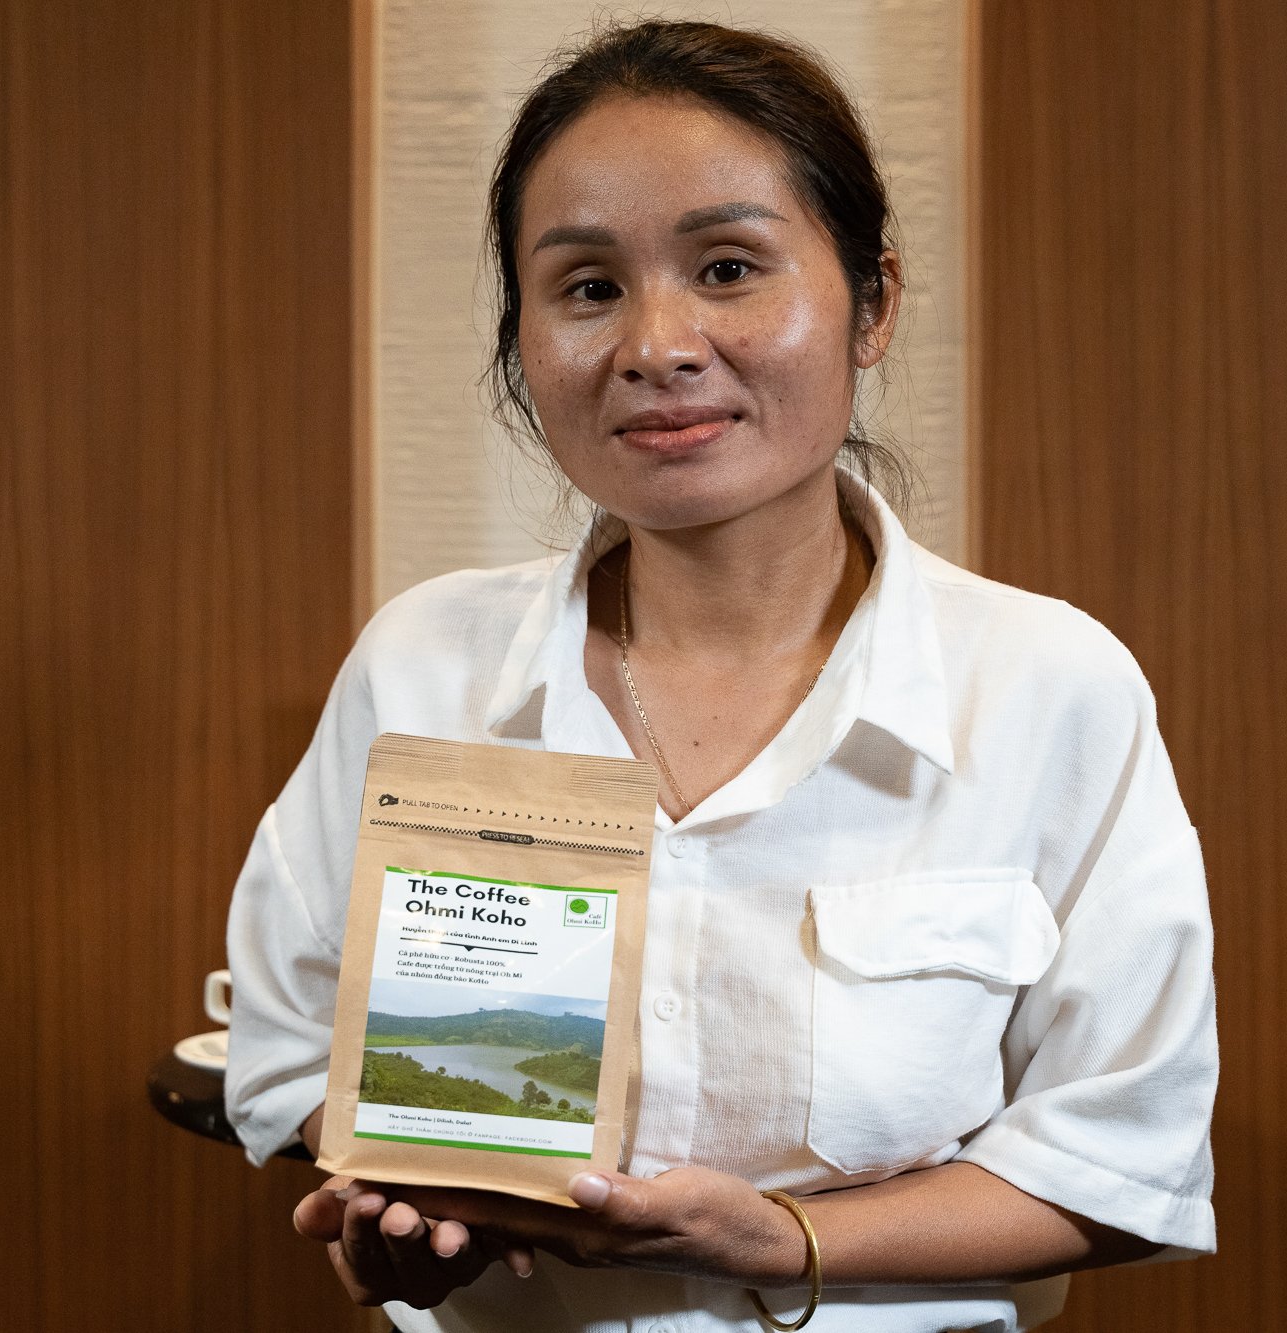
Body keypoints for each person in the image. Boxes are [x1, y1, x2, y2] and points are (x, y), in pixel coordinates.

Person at [225, 20, 1218, 1333]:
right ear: (524, 335)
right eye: (587, 289)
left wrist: (785, 1235)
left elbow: (1123, 1157)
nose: (659, 342)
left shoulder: (1047, 687)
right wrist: (415, 1200)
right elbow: (286, 1045)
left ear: (873, 302)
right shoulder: (423, 665)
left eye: (729, 266)